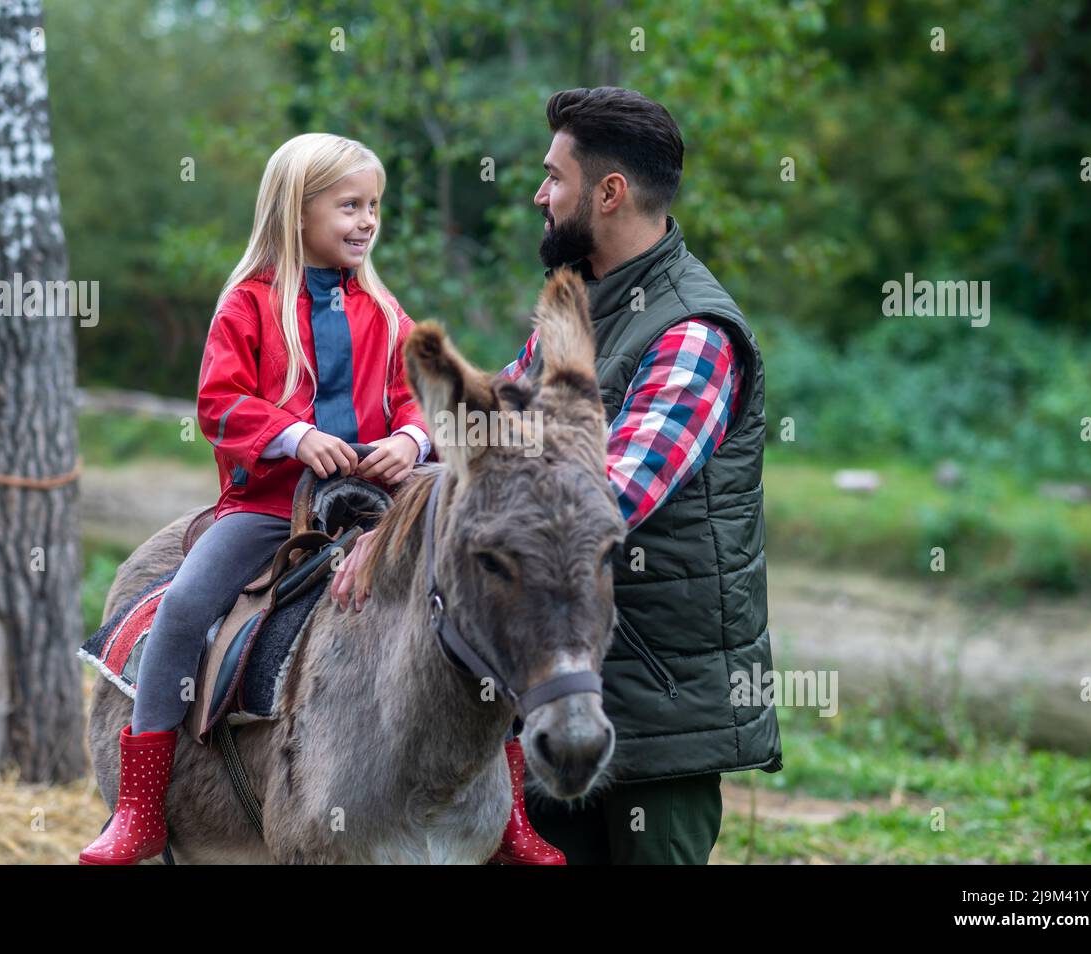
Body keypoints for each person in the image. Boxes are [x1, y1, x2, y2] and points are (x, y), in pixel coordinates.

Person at [332, 88, 783, 864]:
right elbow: (490, 443)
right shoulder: (579, 316)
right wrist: (395, 474)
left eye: (554, 178)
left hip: (657, 713)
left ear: (608, 193)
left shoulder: (693, 333)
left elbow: (601, 497)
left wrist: (442, 511)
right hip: (548, 695)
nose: (541, 196)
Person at [81, 132, 441, 864]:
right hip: (271, 508)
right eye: (348, 206)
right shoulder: (246, 306)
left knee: (465, 596)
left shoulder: (384, 309)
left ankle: (506, 806)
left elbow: (415, 400)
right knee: (181, 611)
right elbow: (218, 404)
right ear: (293, 211)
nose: (367, 221)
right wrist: (295, 436)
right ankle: (143, 806)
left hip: (376, 507)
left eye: (373, 206)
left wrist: (409, 440)